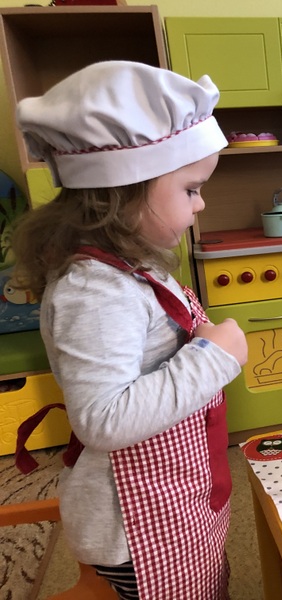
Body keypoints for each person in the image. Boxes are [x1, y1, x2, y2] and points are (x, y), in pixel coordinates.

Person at [10, 61, 247, 599]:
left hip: (175, 497)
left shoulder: (125, 269)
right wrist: (213, 358)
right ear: (125, 191)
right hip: (138, 531)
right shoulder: (95, 292)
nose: (201, 203)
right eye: (191, 189)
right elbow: (103, 417)